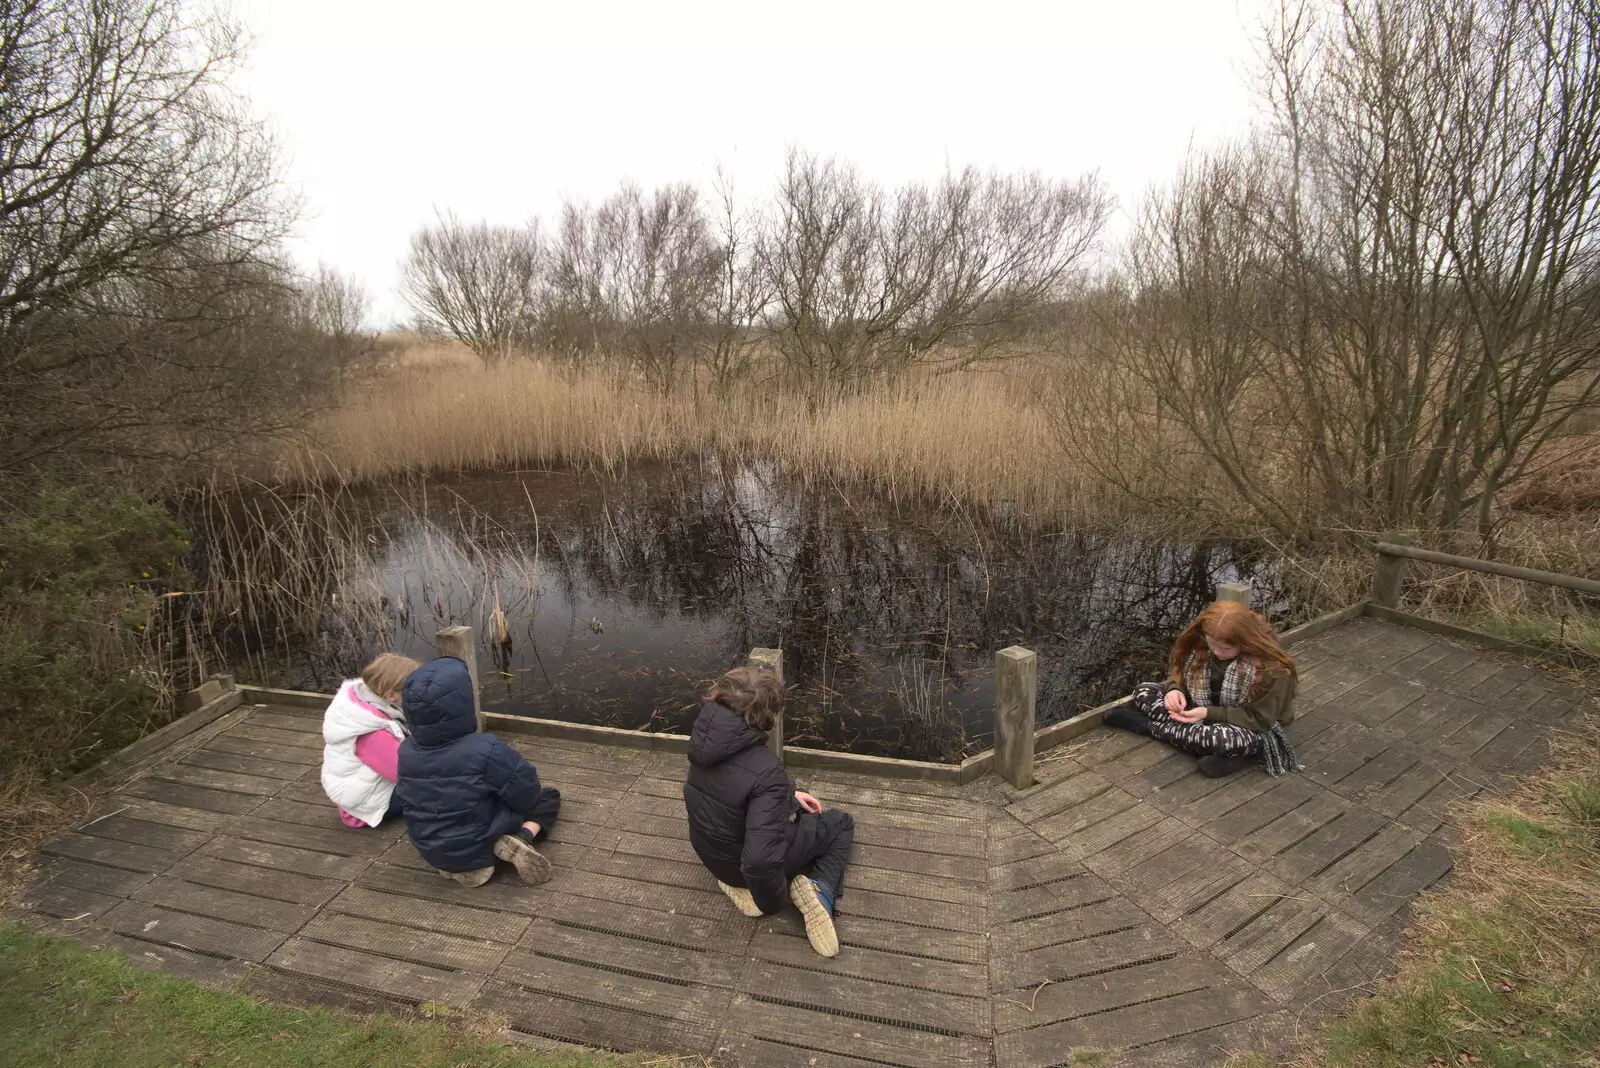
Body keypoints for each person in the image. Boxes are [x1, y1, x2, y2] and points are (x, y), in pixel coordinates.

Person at [682, 667, 854, 958]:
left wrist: (788, 794)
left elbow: (733, 786)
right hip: (742, 871)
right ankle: (819, 888)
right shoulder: (766, 769)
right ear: (766, 715)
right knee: (839, 823)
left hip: (710, 856)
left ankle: (739, 887)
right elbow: (760, 862)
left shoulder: (703, 742)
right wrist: (773, 902)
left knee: (794, 816)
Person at [395, 656, 561, 886]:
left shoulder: (405, 750)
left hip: (430, 848)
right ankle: (520, 837)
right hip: (480, 843)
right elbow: (527, 792)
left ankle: (461, 867)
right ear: (462, 704)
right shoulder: (484, 749)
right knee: (548, 797)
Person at [1105, 600, 1304, 778]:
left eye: (1225, 649)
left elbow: (1261, 720)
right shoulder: (1202, 644)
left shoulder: (1272, 670)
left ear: (1246, 642)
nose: (1217, 652)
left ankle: (1148, 727)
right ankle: (1202, 745)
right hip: (1201, 710)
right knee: (1144, 691)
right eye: (1212, 645)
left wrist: (1208, 712)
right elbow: (1181, 675)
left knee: (1228, 741)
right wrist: (1175, 690)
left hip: (1250, 725)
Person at [320, 653, 419, 829]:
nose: (419, 690)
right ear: (391, 695)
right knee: (441, 789)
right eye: (412, 687)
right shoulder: (371, 734)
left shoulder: (368, 699)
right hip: (363, 806)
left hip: (365, 785)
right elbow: (406, 774)